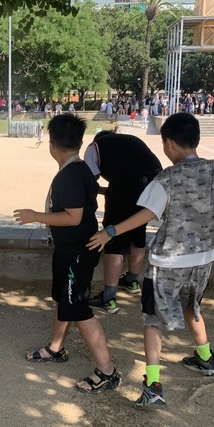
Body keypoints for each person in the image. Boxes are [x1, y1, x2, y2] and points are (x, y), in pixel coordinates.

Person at [88, 112, 214, 408]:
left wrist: (111, 231)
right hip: (204, 257)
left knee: (153, 319)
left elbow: (146, 214)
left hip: (168, 261)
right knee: (192, 306)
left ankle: (153, 385)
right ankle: (206, 359)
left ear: (168, 144)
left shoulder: (166, 178)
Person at [14, 114, 120, 394]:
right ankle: (55, 348)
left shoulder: (70, 175)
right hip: (70, 249)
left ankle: (107, 371)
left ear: (51, 145)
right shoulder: (79, 168)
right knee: (65, 299)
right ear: (80, 142)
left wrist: (35, 216)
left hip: (76, 252)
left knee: (79, 308)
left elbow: (74, 217)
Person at [85, 130, 162, 314]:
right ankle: (132, 281)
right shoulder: (128, 142)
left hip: (126, 188)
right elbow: (127, 186)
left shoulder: (95, 147)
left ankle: (108, 298)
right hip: (152, 185)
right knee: (138, 232)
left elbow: (89, 180)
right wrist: (108, 191)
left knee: (113, 241)